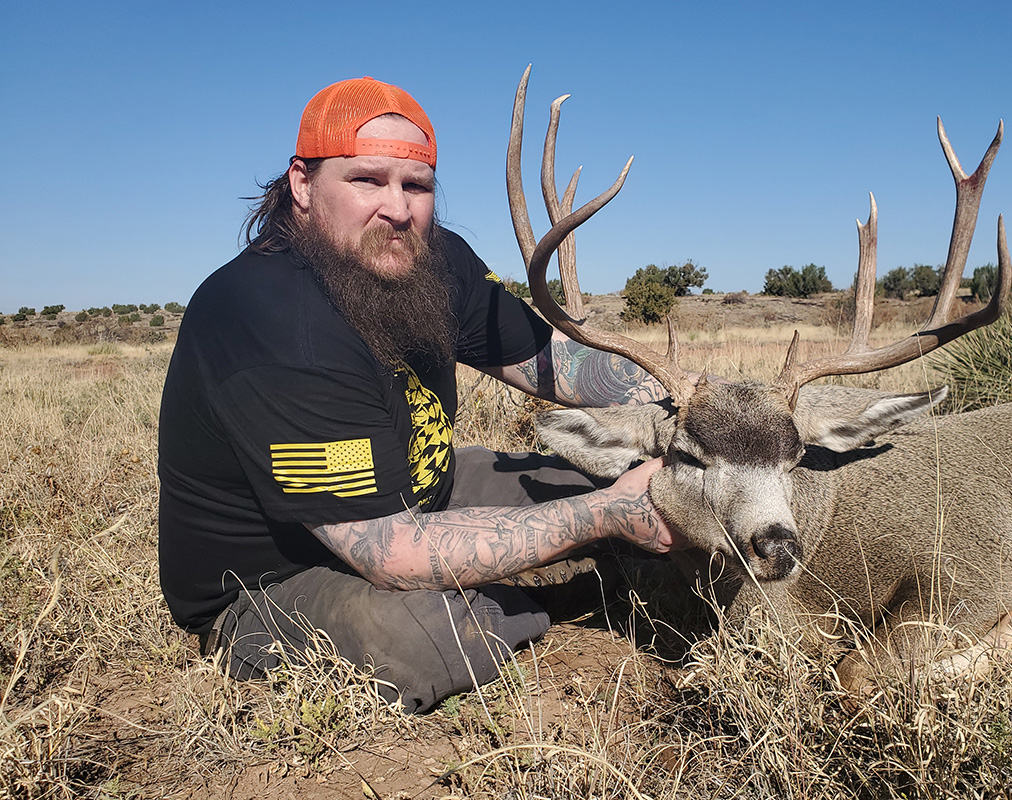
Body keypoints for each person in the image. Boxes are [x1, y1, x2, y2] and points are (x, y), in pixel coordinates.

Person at [157, 76, 679, 712]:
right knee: (423, 639)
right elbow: (389, 554)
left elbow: (548, 361)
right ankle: (549, 598)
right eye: (366, 181)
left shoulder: (431, 259)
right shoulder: (270, 321)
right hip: (277, 576)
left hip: (417, 489)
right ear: (302, 184)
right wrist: (603, 518)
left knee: (584, 480)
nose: (397, 209)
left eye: (417, 186)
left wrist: (683, 394)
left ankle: (537, 585)